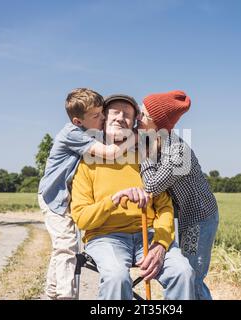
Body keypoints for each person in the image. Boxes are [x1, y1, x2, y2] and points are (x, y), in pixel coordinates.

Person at [70, 94, 195, 300]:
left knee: (183, 272)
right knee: (117, 277)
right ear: (103, 119)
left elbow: (164, 207)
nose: (121, 117)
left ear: (134, 123)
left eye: (127, 114)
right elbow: (82, 218)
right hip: (105, 237)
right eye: (115, 112)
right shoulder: (87, 162)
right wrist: (114, 200)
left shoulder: (147, 157)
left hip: (150, 234)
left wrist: (162, 244)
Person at [38, 88, 136, 299]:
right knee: (66, 246)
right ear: (77, 121)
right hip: (54, 197)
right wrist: (135, 136)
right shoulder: (72, 134)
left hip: (64, 196)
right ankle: (66, 295)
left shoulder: (89, 132)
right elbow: (112, 153)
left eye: (102, 113)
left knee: (61, 248)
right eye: (96, 116)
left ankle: (51, 293)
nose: (102, 118)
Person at [137, 90, 219, 300]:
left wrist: (144, 156)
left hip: (198, 221)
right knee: (190, 276)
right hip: (186, 218)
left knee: (192, 278)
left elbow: (152, 185)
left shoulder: (178, 151)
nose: (138, 117)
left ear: (158, 123)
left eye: (143, 114)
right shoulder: (159, 142)